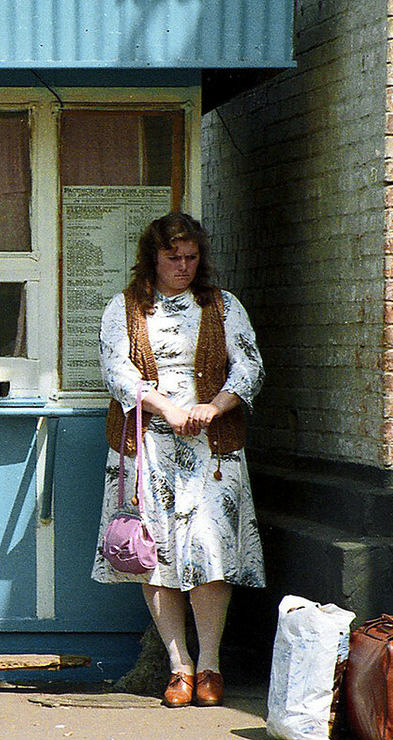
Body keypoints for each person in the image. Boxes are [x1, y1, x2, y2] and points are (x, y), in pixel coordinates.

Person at [92, 212, 265, 709]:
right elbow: (118, 372)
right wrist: (167, 407)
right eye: (173, 258)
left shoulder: (223, 306)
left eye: (191, 258)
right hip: (147, 445)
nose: (183, 267)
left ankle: (210, 664)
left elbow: (249, 365)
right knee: (157, 554)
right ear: (153, 258)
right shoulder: (123, 308)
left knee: (211, 549)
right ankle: (179, 666)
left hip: (212, 445)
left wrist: (215, 406)